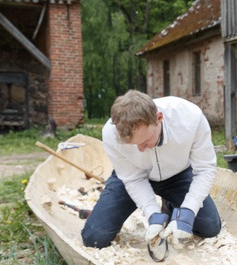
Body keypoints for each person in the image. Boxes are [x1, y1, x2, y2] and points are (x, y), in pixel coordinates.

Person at [81, 90, 222, 252]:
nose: (141, 149)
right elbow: (132, 178)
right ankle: (162, 212)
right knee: (94, 238)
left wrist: (188, 211)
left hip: (178, 174)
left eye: (146, 142)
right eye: (134, 145)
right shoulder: (110, 132)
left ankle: (170, 206)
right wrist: (152, 213)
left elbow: (205, 169)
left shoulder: (191, 117)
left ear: (159, 118)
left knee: (209, 227)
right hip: (134, 175)